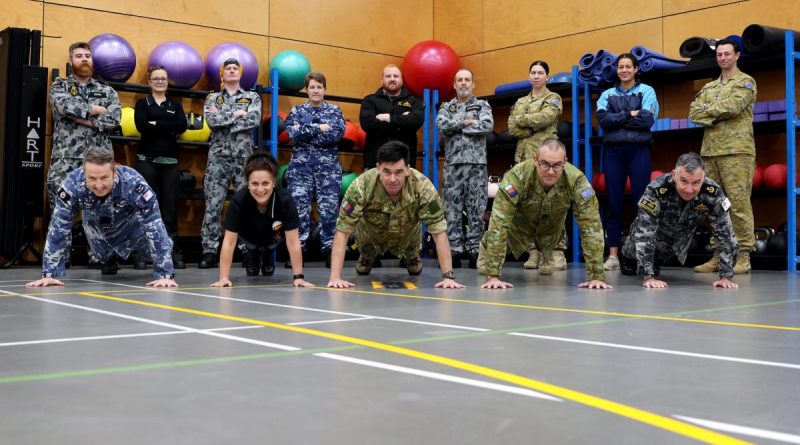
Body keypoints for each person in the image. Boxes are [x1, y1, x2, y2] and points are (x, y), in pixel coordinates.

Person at [26, 147, 177, 288]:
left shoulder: (133, 182)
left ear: (114, 172)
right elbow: (59, 227)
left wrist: (165, 274)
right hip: (98, 232)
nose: (99, 185)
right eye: (92, 178)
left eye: (104, 177)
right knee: (102, 258)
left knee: (163, 247)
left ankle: (138, 253)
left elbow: (153, 223)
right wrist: (49, 273)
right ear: (83, 174)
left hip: (133, 231)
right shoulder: (72, 184)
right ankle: (110, 257)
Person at [326, 141, 464, 289]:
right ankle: (366, 256)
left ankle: (412, 256)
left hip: (408, 235)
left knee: (415, 270)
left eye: (398, 172)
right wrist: (335, 277)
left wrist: (448, 276)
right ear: (378, 168)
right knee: (363, 267)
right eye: (387, 171)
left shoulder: (423, 187)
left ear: (407, 170)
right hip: (371, 235)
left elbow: (439, 232)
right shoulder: (361, 186)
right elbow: (343, 231)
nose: (392, 179)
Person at [478, 138, 611, 290]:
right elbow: (499, 224)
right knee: (484, 268)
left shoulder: (576, 181)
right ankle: (486, 247)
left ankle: (547, 254)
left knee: (555, 269)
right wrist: (493, 275)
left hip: (552, 234)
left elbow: (591, 225)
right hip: (517, 231)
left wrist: (596, 276)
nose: (550, 171)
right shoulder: (517, 177)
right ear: (535, 160)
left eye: (557, 165)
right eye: (545, 164)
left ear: (565, 162)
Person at [620, 152, 738, 289]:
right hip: (642, 248)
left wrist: (726, 276)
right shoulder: (657, 189)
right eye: (684, 181)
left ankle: (654, 265)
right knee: (632, 262)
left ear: (703, 178)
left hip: (677, 247)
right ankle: (632, 260)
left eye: (695, 183)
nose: (689, 189)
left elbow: (725, 233)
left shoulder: (713, 193)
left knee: (657, 263)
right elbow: (644, 232)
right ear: (674, 175)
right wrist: (648, 276)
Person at [689, 38, 756, 275]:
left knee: (738, 204)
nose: (723, 58)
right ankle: (720, 254)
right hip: (710, 152)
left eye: (727, 54)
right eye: (720, 55)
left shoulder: (746, 82)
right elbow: (694, 114)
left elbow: (734, 107)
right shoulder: (709, 88)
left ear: (737, 55)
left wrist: (710, 111)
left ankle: (744, 256)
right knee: (714, 205)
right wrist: (713, 112)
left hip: (737, 152)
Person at [210, 152, 312, 288]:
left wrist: (298, 277)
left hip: (274, 236)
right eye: (255, 184)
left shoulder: (285, 200)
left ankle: (269, 253)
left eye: (265, 183)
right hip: (249, 236)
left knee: (270, 245)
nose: (260, 189)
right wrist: (223, 278)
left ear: (274, 183)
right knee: (252, 247)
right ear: (248, 184)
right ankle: (252, 254)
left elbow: (293, 242)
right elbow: (229, 242)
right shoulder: (238, 201)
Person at [596, 53, 659, 271]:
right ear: (617, 69)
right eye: (620, 67)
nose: (624, 70)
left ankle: (642, 254)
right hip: (613, 153)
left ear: (636, 69)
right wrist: (629, 114)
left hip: (639, 152)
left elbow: (646, 119)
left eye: (628, 67)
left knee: (642, 204)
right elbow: (604, 122)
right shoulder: (606, 94)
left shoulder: (648, 91)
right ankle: (613, 255)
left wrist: (620, 118)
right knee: (614, 204)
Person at [199, 58, 262, 269]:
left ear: (241, 73)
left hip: (243, 158)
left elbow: (253, 120)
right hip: (218, 158)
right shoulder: (213, 98)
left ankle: (247, 250)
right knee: (213, 204)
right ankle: (209, 250)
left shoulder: (251, 96)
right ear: (222, 74)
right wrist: (236, 114)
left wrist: (225, 118)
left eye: (236, 68)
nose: (232, 71)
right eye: (228, 69)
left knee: (245, 204)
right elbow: (211, 121)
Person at [506, 60, 567, 271]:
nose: (536, 76)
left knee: (553, 204)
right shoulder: (521, 100)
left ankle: (556, 252)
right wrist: (530, 128)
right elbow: (512, 128)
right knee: (527, 205)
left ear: (547, 77)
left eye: (541, 72)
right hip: (523, 158)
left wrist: (523, 121)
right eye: (533, 72)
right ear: (529, 76)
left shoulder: (553, 98)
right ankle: (533, 251)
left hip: (547, 160)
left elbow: (547, 118)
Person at [47, 42, 122, 207]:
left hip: (100, 162)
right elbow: (64, 106)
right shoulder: (60, 86)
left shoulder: (107, 91)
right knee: (61, 212)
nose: (84, 60)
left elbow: (115, 119)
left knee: (102, 214)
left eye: (87, 56)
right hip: (67, 160)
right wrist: (95, 109)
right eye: (79, 56)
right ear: (71, 60)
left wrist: (82, 119)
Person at [284, 72, 346, 267]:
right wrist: (320, 128)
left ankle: (329, 250)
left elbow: (336, 134)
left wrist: (307, 131)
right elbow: (292, 133)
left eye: (319, 87)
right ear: (306, 90)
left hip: (327, 169)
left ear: (324, 89)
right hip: (301, 169)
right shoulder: (297, 110)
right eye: (312, 87)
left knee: (328, 211)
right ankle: (298, 251)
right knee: (299, 210)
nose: (316, 91)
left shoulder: (335, 111)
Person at [435, 68, 493, 269]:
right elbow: (441, 125)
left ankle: (476, 249)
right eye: (459, 80)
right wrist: (465, 122)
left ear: (473, 84)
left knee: (477, 209)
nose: (463, 83)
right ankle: (455, 250)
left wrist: (456, 127)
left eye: (467, 79)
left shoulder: (482, 105)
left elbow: (487, 125)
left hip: (477, 165)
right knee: (452, 210)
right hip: (453, 166)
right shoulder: (447, 107)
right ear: (454, 84)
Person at [133, 65, 188, 269]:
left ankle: (171, 251)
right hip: (146, 161)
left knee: (169, 210)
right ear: (149, 82)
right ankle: (142, 253)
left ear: (167, 82)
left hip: (170, 163)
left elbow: (182, 126)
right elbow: (141, 126)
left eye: (163, 79)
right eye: (156, 79)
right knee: (144, 207)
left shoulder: (176, 104)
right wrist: (167, 125)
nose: (160, 82)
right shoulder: (142, 103)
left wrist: (157, 123)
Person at [359, 64, 425, 170]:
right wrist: (402, 121)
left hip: (404, 163)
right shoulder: (369, 100)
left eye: (396, 76)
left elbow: (416, 121)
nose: (392, 79)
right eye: (388, 76)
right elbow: (368, 124)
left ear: (402, 80)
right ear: (382, 80)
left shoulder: (414, 101)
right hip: (375, 163)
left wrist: (388, 118)